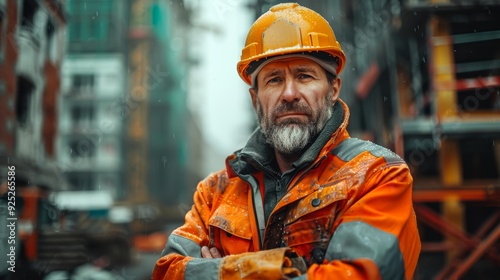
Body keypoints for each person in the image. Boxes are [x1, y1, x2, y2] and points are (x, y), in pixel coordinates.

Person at [153, 3, 421, 279]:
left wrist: (224, 270)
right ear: (256, 99)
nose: (290, 93)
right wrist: (287, 271)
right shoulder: (215, 192)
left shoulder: (377, 174)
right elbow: (166, 272)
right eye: (274, 80)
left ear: (333, 90)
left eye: (304, 76)